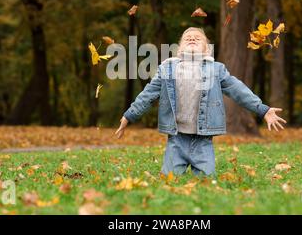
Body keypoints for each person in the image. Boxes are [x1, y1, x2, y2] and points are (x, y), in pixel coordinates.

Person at [115, 27, 286, 176]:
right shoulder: (167, 68)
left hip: (203, 140)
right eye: (187, 38)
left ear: (206, 49)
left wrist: (262, 109)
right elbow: (148, 94)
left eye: (198, 38)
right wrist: (129, 115)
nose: (192, 38)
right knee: (169, 181)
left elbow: (238, 90)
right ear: (179, 48)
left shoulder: (216, 69)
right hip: (176, 139)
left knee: (206, 180)